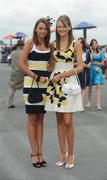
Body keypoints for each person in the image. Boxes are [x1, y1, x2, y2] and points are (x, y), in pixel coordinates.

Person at [45, 15, 83, 169]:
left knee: (68, 121)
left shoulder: (76, 44)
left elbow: (80, 67)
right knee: (59, 120)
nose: (60, 28)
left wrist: (62, 75)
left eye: (63, 26)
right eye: (58, 26)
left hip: (68, 84)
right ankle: (62, 152)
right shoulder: (52, 44)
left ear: (69, 27)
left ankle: (71, 153)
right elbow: (51, 66)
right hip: (54, 84)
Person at [18, 18, 51, 168]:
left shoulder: (49, 45)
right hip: (31, 85)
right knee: (32, 118)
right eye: (40, 28)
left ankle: (40, 152)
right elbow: (21, 64)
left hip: (45, 87)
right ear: (36, 29)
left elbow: (51, 65)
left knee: (41, 118)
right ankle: (34, 153)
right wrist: (36, 76)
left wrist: (50, 72)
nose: (43, 31)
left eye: (45, 28)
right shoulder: (30, 43)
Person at [86, 39, 104, 110]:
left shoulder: (101, 52)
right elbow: (89, 60)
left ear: (97, 44)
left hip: (98, 71)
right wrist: (90, 51)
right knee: (90, 86)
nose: (94, 45)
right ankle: (89, 101)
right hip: (90, 70)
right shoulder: (89, 52)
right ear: (91, 45)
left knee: (98, 85)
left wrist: (94, 63)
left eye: (95, 43)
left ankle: (98, 104)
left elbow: (102, 63)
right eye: (93, 44)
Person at [7, 40, 25, 108]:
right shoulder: (23, 53)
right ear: (22, 45)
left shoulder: (13, 52)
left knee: (12, 87)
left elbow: (10, 61)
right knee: (25, 88)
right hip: (22, 72)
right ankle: (27, 102)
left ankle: (9, 103)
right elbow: (25, 63)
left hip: (14, 71)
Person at [78, 37, 91, 110]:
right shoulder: (75, 51)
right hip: (77, 71)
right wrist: (81, 64)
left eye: (81, 42)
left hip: (85, 72)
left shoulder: (87, 51)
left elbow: (89, 61)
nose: (80, 43)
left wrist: (88, 64)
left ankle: (80, 104)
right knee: (77, 87)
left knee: (83, 87)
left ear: (83, 43)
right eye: (78, 42)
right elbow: (73, 62)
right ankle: (77, 103)